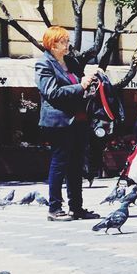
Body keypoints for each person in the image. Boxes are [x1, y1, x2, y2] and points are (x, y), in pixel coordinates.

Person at [34, 26, 102, 222]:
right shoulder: (44, 64)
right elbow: (52, 93)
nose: (67, 44)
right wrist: (80, 86)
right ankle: (54, 209)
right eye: (63, 41)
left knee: (76, 165)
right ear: (52, 44)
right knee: (59, 164)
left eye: (67, 41)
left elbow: (80, 84)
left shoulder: (71, 62)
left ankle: (76, 208)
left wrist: (91, 80)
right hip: (59, 122)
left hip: (79, 119)